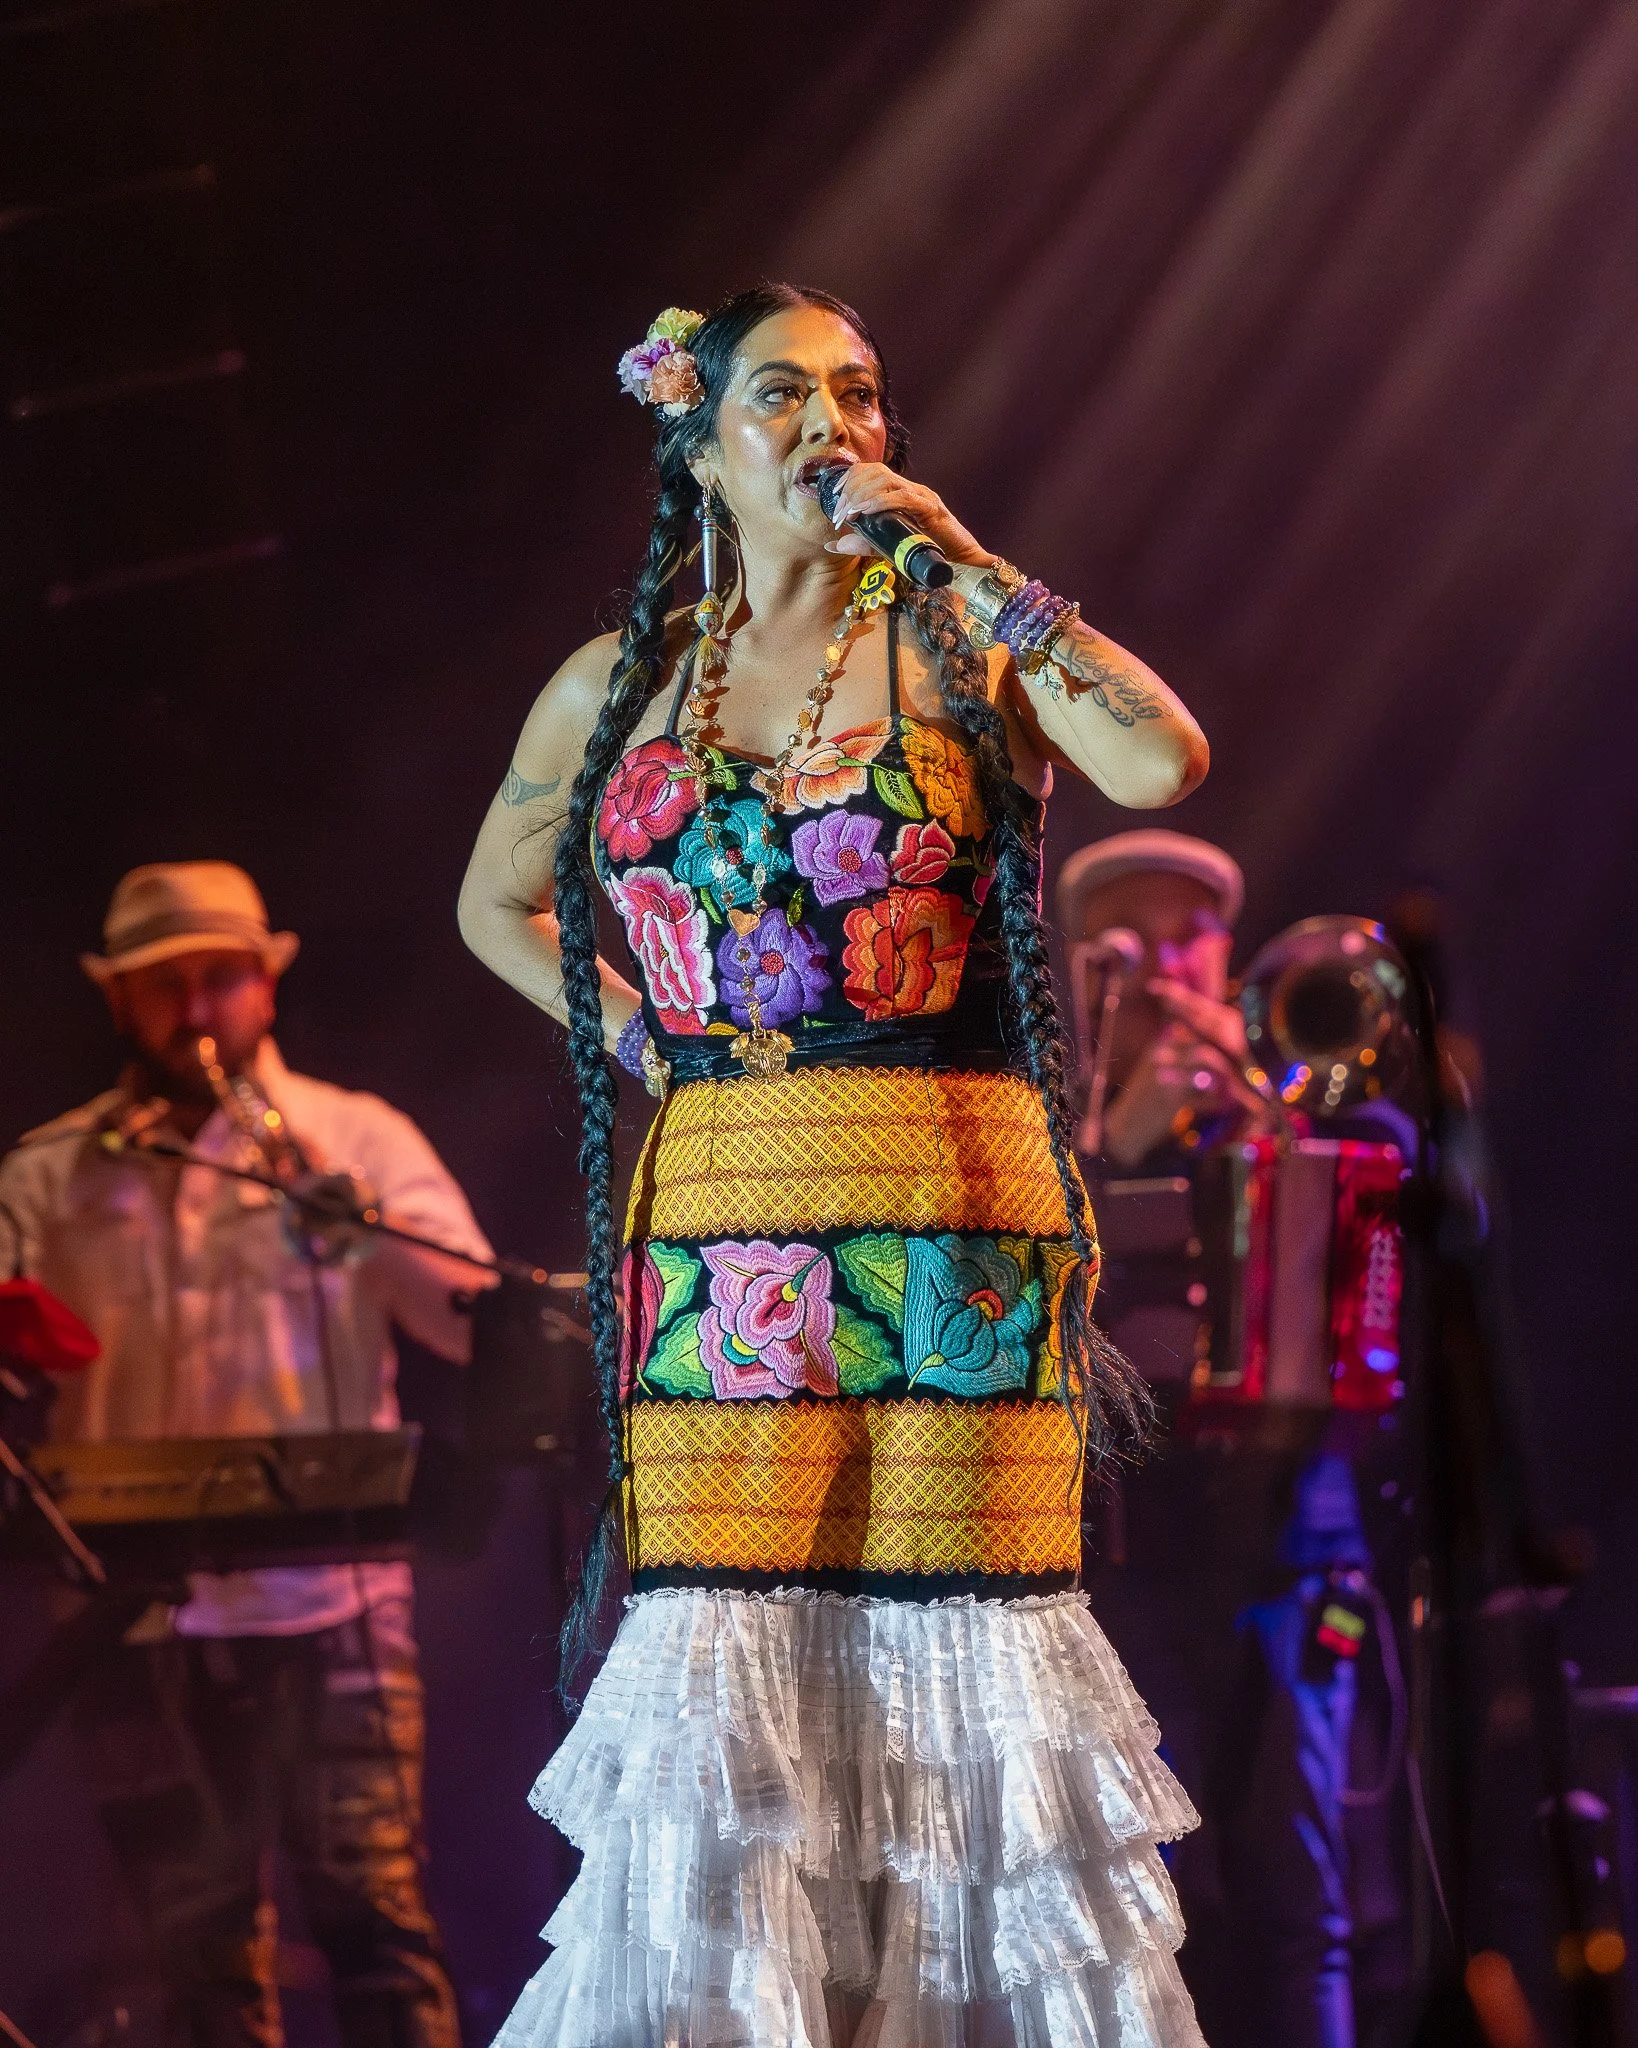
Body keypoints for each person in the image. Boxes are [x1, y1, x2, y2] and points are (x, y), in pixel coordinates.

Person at [459, 284, 1211, 2048]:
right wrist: (648, 1040)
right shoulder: (618, 681)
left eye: (860, 394)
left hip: (947, 1197)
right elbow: (496, 902)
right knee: (735, 1646)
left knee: (956, 1648)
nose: (832, 426)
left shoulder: (961, 638)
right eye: (784, 394)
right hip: (724, 1213)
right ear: (698, 439)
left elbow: (1158, 758)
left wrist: (967, 559)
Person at [0, 860, 494, 2048]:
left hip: (334, 1599)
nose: (195, 1008)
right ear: (118, 1000)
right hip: (128, 1612)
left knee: (377, 1919)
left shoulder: (355, 1134)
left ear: (266, 986)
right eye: (163, 983)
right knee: (193, 1950)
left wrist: (351, 1215)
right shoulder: (50, 1169)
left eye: (219, 976)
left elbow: (469, 1314)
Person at [1057, 830, 1410, 2048]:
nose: (1166, 964)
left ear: (1227, 956)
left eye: (1189, 936)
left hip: (1292, 1537)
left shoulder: (1296, 1098)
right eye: (1133, 941)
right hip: (1124, 1556)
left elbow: (1390, 1193)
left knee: (1301, 1889)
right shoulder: (1056, 1130)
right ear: (1086, 966)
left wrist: (1266, 1113)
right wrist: (1124, 1138)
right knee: (1143, 1894)